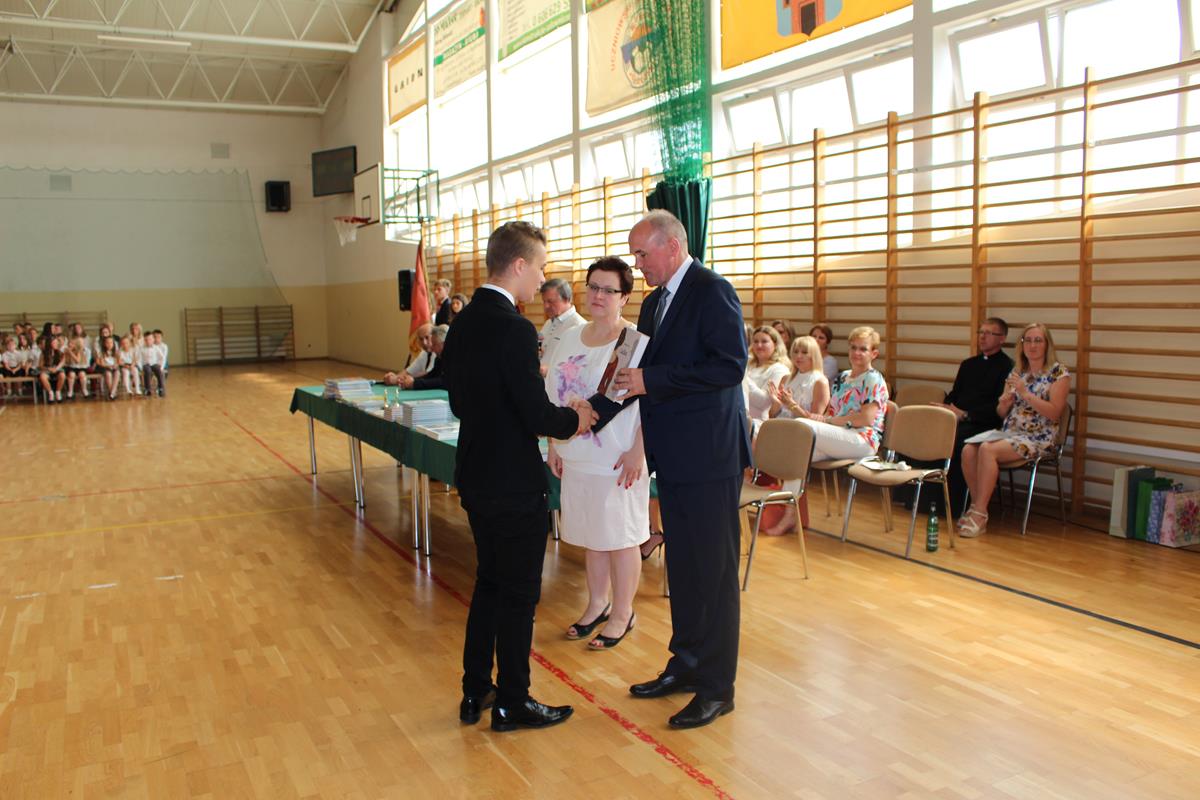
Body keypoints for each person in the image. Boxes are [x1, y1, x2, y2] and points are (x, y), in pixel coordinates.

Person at [442, 220, 597, 733]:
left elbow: (459, 401)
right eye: (540, 268)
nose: (542, 279)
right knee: (518, 595)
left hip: (476, 472)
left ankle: (475, 689)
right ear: (518, 265)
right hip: (511, 482)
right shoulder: (513, 328)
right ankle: (513, 699)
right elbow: (535, 413)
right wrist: (576, 418)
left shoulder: (464, 320)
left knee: (489, 582)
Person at [599, 209, 750, 730]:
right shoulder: (653, 301)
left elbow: (729, 365)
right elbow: (636, 372)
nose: (637, 264)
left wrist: (653, 380)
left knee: (714, 574)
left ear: (673, 246)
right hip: (674, 455)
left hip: (710, 456)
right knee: (683, 569)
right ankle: (685, 665)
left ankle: (717, 687)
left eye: (643, 254)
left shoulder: (712, 290)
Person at [544, 256, 650, 651]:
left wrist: (639, 451)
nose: (598, 295)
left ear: (625, 297)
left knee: (621, 537)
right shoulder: (571, 335)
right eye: (593, 287)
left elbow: (649, 403)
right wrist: (554, 443)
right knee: (594, 535)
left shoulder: (634, 341)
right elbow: (553, 395)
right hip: (577, 454)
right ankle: (597, 604)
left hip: (619, 456)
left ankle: (623, 612)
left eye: (609, 289)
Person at [959, 323, 1070, 538]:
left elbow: (1055, 413)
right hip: (1010, 433)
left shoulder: (1059, 373)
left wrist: (1025, 393)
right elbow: (1002, 414)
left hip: (1038, 437)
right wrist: (1004, 403)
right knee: (968, 450)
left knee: (987, 450)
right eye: (1028, 340)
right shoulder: (1018, 371)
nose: (1032, 345)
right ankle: (977, 506)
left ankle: (980, 514)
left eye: (1038, 340)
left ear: (1047, 345)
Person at [905, 317, 1012, 513]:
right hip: (957, 419)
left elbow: (998, 408)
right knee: (924, 431)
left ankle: (950, 505)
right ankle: (916, 499)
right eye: (981, 332)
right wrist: (945, 407)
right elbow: (955, 394)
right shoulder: (969, 364)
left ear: (1002, 338)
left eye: (989, 333)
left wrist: (966, 415)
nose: (983, 337)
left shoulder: (1008, 367)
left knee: (956, 440)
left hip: (983, 423)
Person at [762, 334, 831, 536]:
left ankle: (789, 513)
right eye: (796, 352)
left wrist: (792, 405)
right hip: (783, 430)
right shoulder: (787, 378)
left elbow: (815, 421)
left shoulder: (820, 381)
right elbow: (774, 414)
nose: (799, 356)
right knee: (752, 435)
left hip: (802, 436)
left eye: (804, 352)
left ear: (814, 355)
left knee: (793, 456)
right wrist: (776, 402)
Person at [791, 326, 889, 463]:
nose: (856, 352)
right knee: (794, 452)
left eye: (863, 349)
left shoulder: (873, 378)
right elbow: (831, 413)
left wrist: (828, 421)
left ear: (874, 354)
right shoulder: (842, 377)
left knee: (800, 425)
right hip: (839, 435)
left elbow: (865, 419)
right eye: (853, 347)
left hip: (863, 439)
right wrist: (819, 418)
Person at [744, 325, 791, 425]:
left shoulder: (779, 369)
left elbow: (764, 403)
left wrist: (743, 377)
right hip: (741, 416)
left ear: (775, 344)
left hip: (759, 423)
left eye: (764, 341)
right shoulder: (748, 363)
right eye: (755, 341)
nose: (759, 345)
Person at [538, 277, 585, 372]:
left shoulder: (579, 326)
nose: (546, 306)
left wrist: (548, 370)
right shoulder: (548, 323)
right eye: (544, 301)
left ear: (567, 299)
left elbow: (579, 367)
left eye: (550, 301)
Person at [396, 325, 448, 390]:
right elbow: (432, 375)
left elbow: (444, 381)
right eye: (421, 339)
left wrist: (414, 383)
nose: (432, 348)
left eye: (434, 344)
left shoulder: (454, 357)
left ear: (444, 344)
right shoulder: (439, 357)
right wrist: (412, 381)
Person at [38, 336, 66, 403]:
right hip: (47, 369)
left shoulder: (60, 352)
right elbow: (40, 365)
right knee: (42, 376)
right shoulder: (44, 353)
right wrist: (49, 369)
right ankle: (50, 393)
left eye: (56, 343)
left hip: (57, 368)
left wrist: (56, 368)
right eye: (54, 343)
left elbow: (62, 362)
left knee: (62, 375)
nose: (56, 344)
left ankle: (58, 392)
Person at [140, 332, 165, 397]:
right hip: (145, 364)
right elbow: (139, 359)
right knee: (147, 371)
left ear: (153, 339)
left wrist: (161, 367)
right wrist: (140, 367)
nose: (148, 341)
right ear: (144, 340)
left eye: (150, 339)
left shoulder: (156, 347)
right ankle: (148, 389)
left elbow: (162, 357)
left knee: (159, 371)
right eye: (146, 340)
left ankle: (160, 388)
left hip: (154, 364)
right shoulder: (142, 348)